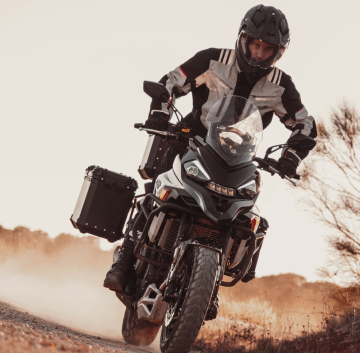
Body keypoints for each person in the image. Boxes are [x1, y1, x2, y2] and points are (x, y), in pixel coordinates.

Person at [104, 4, 317, 294]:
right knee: (158, 187)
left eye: (268, 49)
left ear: (278, 52)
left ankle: (211, 285)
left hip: (239, 157)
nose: (259, 53)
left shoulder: (281, 85)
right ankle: (125, 259)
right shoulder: (213, 59)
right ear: (243, 39)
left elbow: (305, 124)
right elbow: (171, 82)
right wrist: (160, 113)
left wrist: (290, 158)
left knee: (250, 215)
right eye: (255, 44)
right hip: (192, 140)